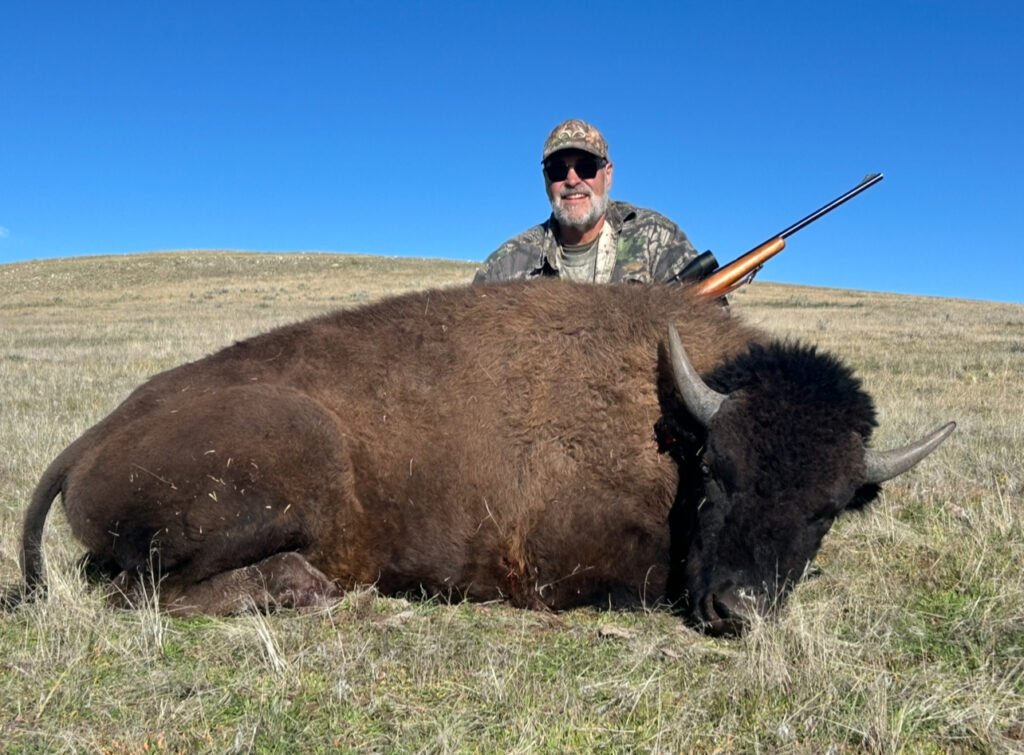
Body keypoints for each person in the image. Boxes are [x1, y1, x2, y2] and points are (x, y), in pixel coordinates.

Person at [474, 119, 700, 284]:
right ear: (546, 180)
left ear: (608, 174)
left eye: (586, 167)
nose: (572, 180)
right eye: (557, 170)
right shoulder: (505, 266)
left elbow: (707, 320)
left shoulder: (658, 239)